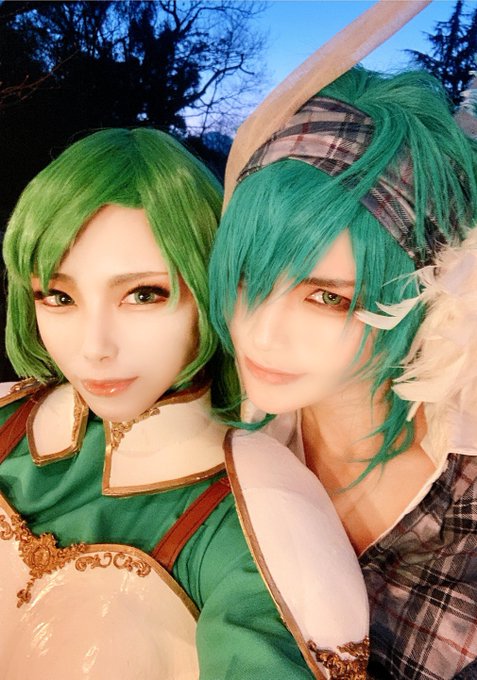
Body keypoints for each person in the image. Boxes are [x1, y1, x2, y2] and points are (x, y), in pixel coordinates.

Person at [0, 127, 369, 679]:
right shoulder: (10, 416)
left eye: (143, 294)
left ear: (211, 284)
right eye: (59, 296)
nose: (94, 348)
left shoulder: (258, 514)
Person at [209, 66, 477, 680]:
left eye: (327, 298)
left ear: (425, 295)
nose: (260, 333)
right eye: (248, 279)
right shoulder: (226, 438)